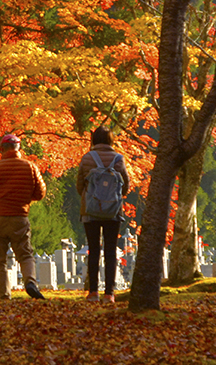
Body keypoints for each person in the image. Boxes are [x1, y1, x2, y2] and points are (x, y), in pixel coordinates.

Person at [0, 133, 47, 300]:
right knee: (25, 254)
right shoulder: (30, 167)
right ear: (19, 149)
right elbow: (40, 193)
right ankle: (30, 282)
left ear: (2, 149)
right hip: (19, 216)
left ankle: (3, 295)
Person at [75, 126, 129, 303]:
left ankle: (93, 292)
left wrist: (89, 199)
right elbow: (126, 186)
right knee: (111, 250)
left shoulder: (87, 158)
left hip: (90, 211)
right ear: (111, 139)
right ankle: (109, 293)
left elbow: (79, 185)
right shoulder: (119, 159)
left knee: (94, 250)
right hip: (113, 211)